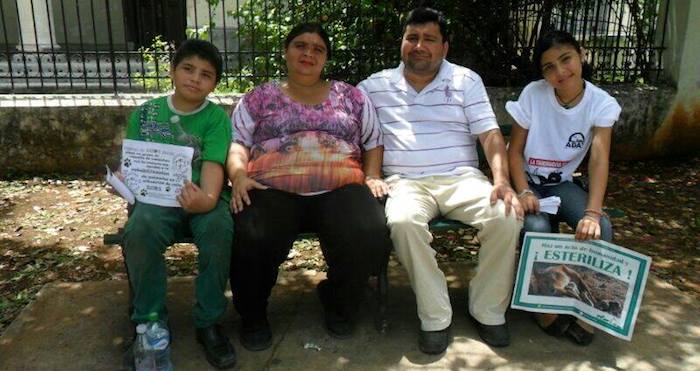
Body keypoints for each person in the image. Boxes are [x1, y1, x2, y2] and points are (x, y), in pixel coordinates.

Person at [358, 7, 523, 354]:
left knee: (506, 215)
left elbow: (491, 136)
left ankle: (488, 310)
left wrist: (501, 181)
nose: (419, 45)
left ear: (445, 47)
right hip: (404, 182)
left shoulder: (465, 80)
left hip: (461, 178)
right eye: (412, 38)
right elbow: (351, 130)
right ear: (402, 43)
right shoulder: (375, 86)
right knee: (402, 222)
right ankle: (435, 316)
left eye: (429, 39)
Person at [227, 23, 391, 351]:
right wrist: (239, 175)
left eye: (318, 49)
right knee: (252, 232)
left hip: (341, 187)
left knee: (368, 230)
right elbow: (237, 142)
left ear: (326, 58)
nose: (308, 53)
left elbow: (373, 141)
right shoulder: (260, 97)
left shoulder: (352, 96)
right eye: (301, 45)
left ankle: (339, 301)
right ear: (286, 51)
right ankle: (253, 316)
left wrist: (372, 175)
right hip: (272, 188)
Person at [120, 39, 236, 369]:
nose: (195, 78)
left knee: (218, 229)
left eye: (206, 74)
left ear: (214, 84)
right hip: (156, 202)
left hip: (203, 196)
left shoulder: (216, 119)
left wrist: (208, 199)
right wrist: (123, 181)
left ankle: (209, 322)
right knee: (140, 230)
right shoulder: (145, 115)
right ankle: (150, 322)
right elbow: (132, 163)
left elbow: (214, 165)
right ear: (172, 71)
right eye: (187, 68)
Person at [506, 30, 621, 346]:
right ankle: (544, 307)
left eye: (566, 59)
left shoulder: (601, 103)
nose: (560, 72)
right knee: (537, 226)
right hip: (528, 182)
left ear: (581, 54)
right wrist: (524, 191)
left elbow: (599, 159)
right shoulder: (534, 94)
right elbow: (513, 151)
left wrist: (593, 213)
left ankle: (587, 308)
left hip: (562, 185)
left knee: (602, 227)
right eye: (549, 67)